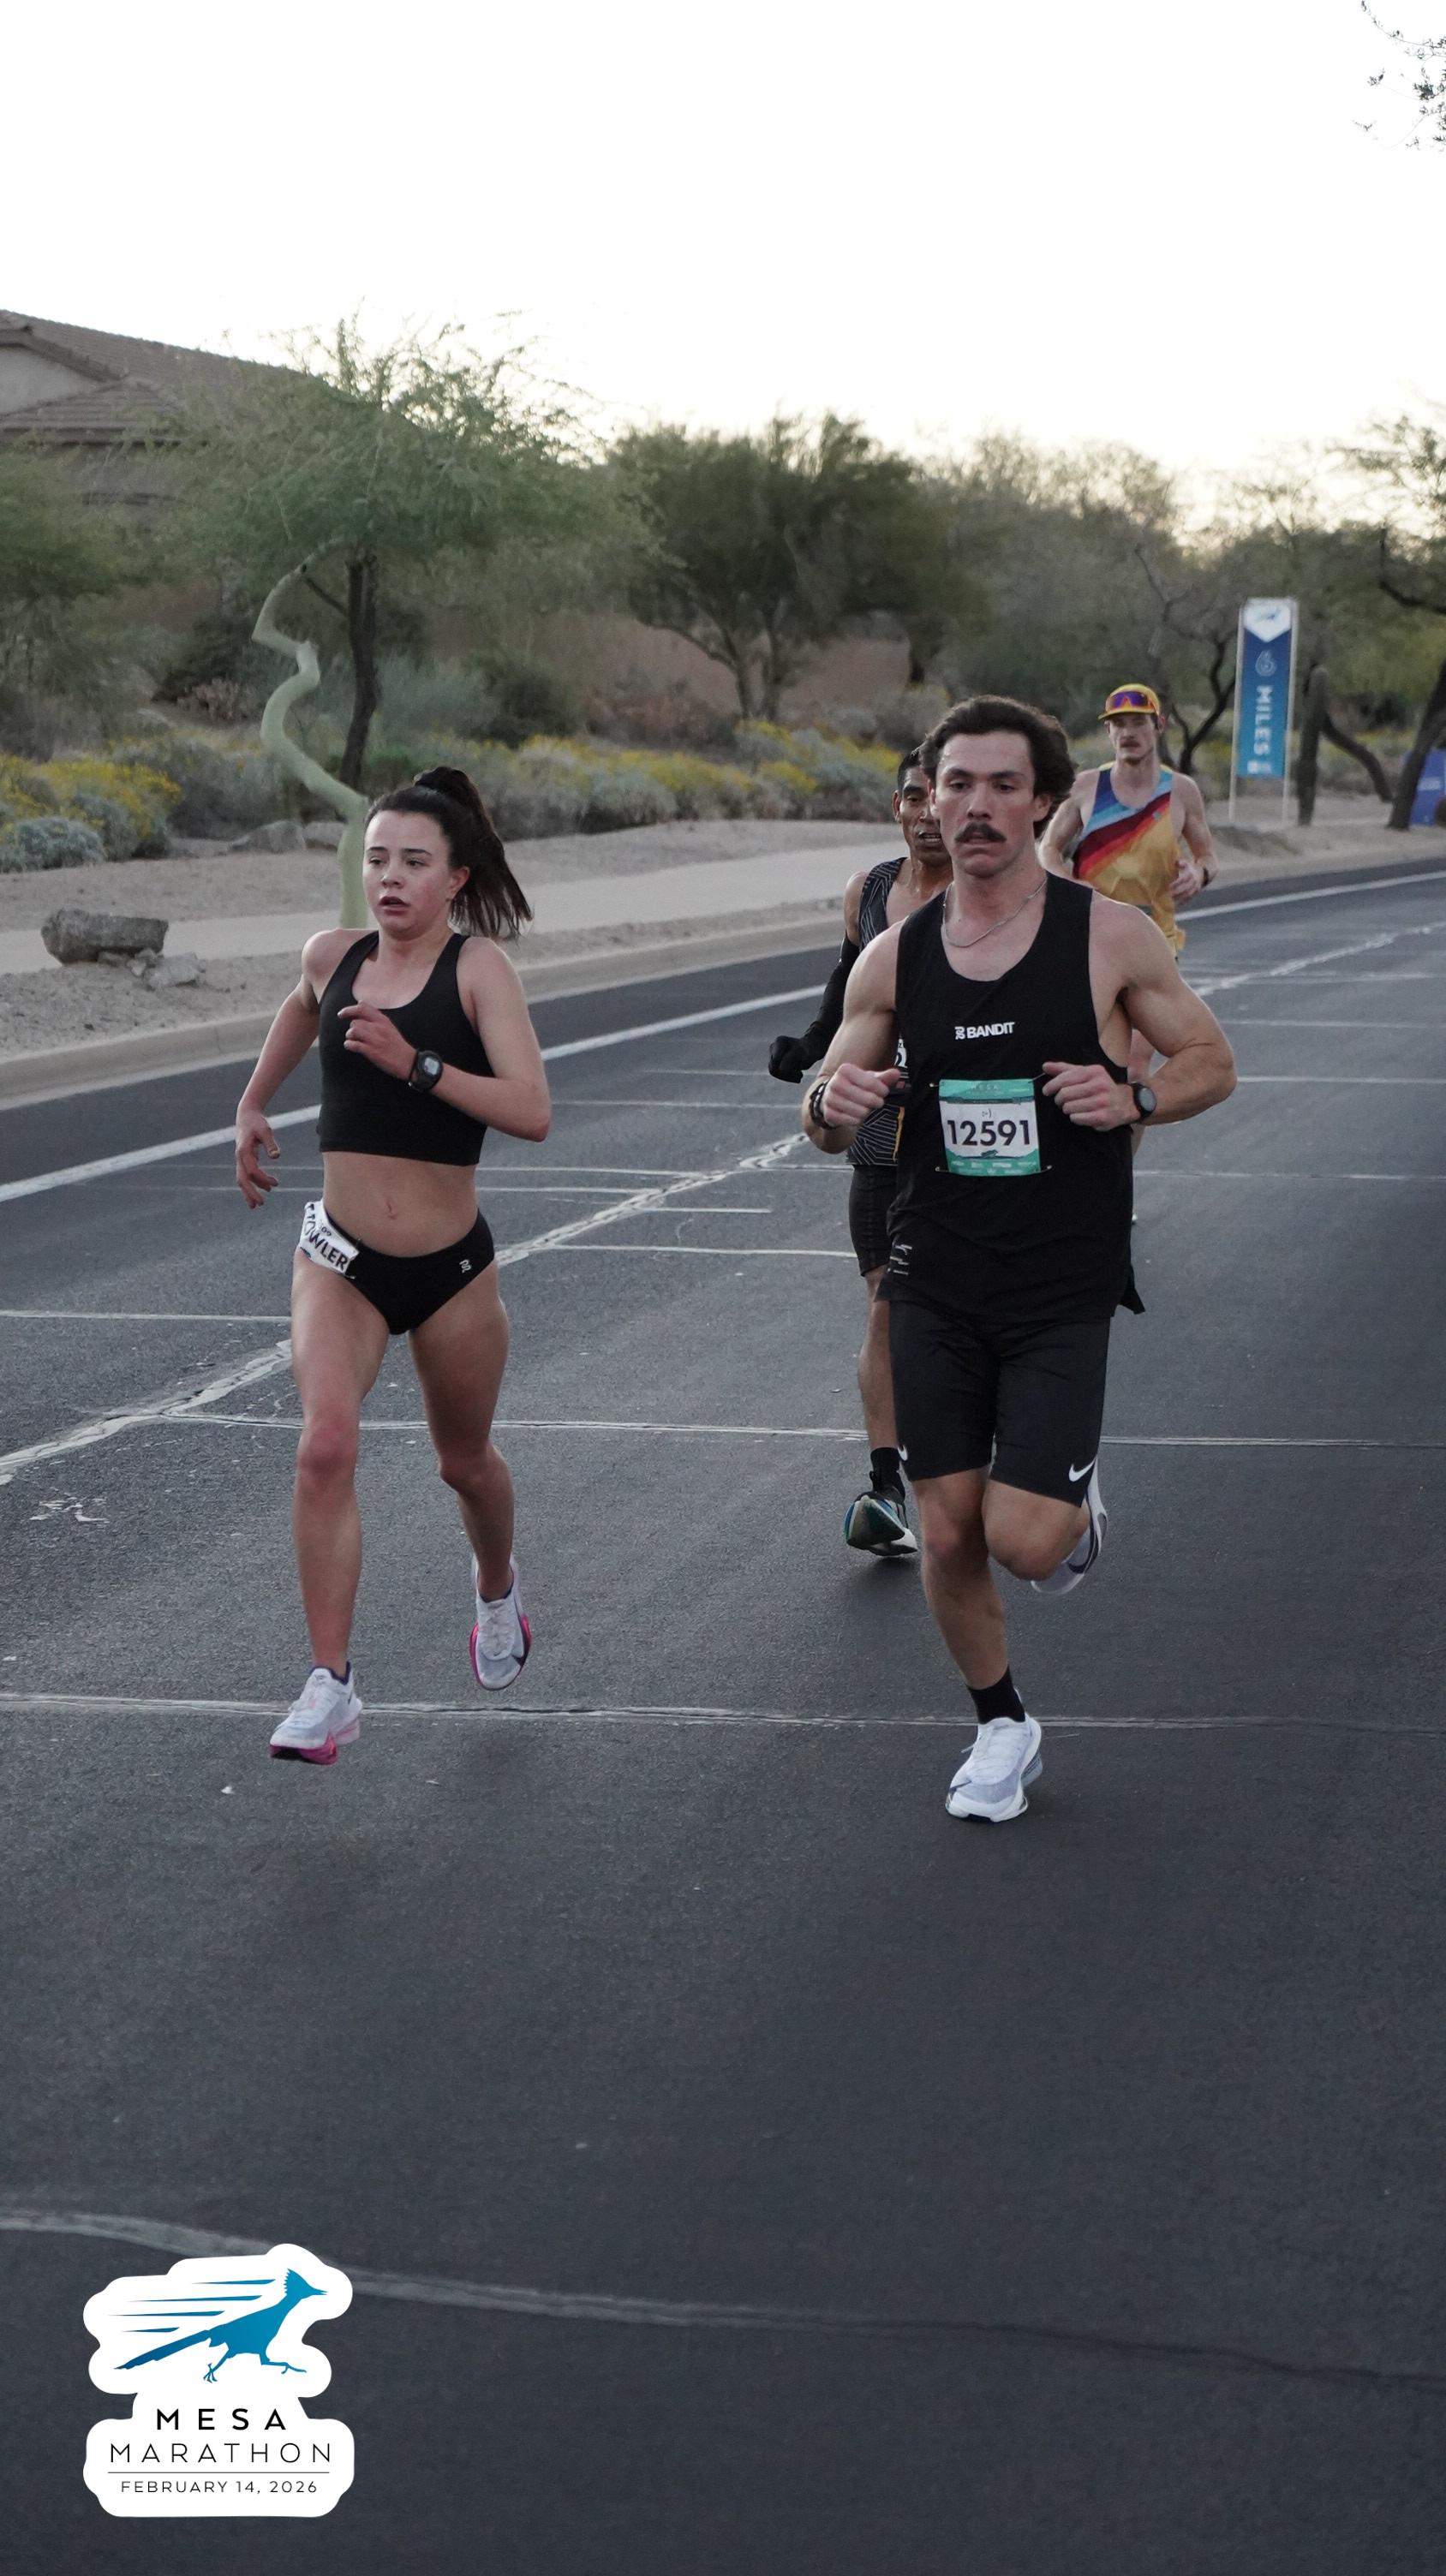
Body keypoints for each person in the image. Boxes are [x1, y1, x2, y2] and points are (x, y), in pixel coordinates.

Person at [802, 696, 1235, 1823]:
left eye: (1002, 785)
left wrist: (1134, 1096)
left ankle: (1073, 1512)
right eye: (956, 784)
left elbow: (1211, 1059)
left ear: (1043, 801)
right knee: (945, 1526)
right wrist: (828, 1104)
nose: (976, 806)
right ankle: (1000, 1724)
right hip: (934, 1272)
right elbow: (827, 1108)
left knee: (1024, 1540)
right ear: (929, 800)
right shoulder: (894, 956)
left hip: (1059, 1279)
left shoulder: (1106, 936)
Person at [234, 765, 551, 1764]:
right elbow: (300, 1007)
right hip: (339, 1258)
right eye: (376, 859)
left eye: (414, 862)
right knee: (324, 1445)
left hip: (450, 1268)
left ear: (454, 878)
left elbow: (532, 1110)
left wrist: (415, 1064)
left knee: (465, 1462)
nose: (390, 878)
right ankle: (329, 1684)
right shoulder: (332, 956)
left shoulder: (477, 971)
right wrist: (253, 1101)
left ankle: (495, 1587)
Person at [768, 750, 952, 1559]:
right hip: (881, 1131)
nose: (928, 814)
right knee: (886, 1302)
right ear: (896, 806)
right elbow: (851, 982)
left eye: (940, 797)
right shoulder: (869, 892)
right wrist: (813, 1047)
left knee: (942, 1309)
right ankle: (886, 1488)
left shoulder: (994, 895)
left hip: (961, 1131)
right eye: (913, 797)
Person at [1041, 683, 1217, 1144]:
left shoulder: (1181, 791)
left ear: (1158, 726)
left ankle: (1121, 1179)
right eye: (1118, 725)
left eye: (1138, 722)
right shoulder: (1087, 787)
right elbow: (1048, 850)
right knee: (1077, 1064)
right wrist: (1070, 886)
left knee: (1134, 1071)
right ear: (1108, 733)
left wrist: (1198, 873)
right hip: (1086, 942)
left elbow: (1207, 855)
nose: (1128, 733)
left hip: (1153, 944)